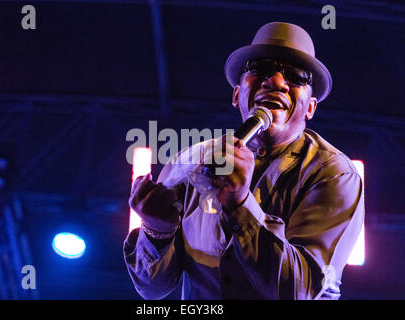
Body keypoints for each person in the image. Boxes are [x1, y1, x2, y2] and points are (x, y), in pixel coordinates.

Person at [124, 22, 364, 300]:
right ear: (237, 94)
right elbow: (152, 289)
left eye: (296, 76)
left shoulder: (333, 174)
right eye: (259, 68)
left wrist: (240, 206)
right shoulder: (188, 162)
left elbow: (300, 291)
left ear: (310, 107)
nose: (275, 82)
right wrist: (156, 232)